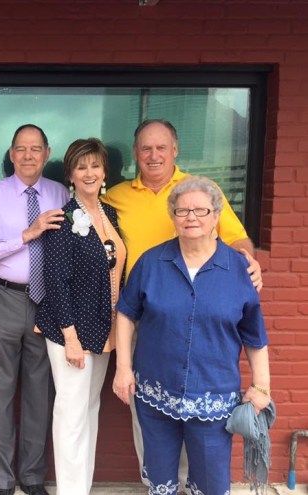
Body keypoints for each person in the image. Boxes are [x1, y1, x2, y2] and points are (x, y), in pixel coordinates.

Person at [101, 118, 263, 490]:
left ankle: (193, 483)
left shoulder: (200, 191)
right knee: (149, 411)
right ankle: (160, 483)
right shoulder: (115, 197)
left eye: (161, 147)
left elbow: (237, 239)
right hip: (145, 313)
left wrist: (248, 262)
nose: (153, 155)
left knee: (200, 421)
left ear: (175, 150)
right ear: (136, 153)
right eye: (145, 148)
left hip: (201, 315)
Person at [0, 124, 68, 495]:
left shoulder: (60, 193)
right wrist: (26, 234)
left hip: (47, 302)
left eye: (35, 149)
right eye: (21, 149)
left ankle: (33, 476)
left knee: (40, 391)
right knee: (1, 389)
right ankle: (3, 479)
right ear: (11, 154)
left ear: (46, 153)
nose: (28, 155)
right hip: (3, 297)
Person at [34, 138, 126, 495]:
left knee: (89, 409)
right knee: (71, 414)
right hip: (69, 329)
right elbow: (55, 281)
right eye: (81, 167)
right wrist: (70, 338)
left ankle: (80, 487)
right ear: (70, 175)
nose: (89, 173)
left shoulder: (110, 215)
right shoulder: (63, 218)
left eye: (95, 166)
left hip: (103, 326)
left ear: (104, 172)